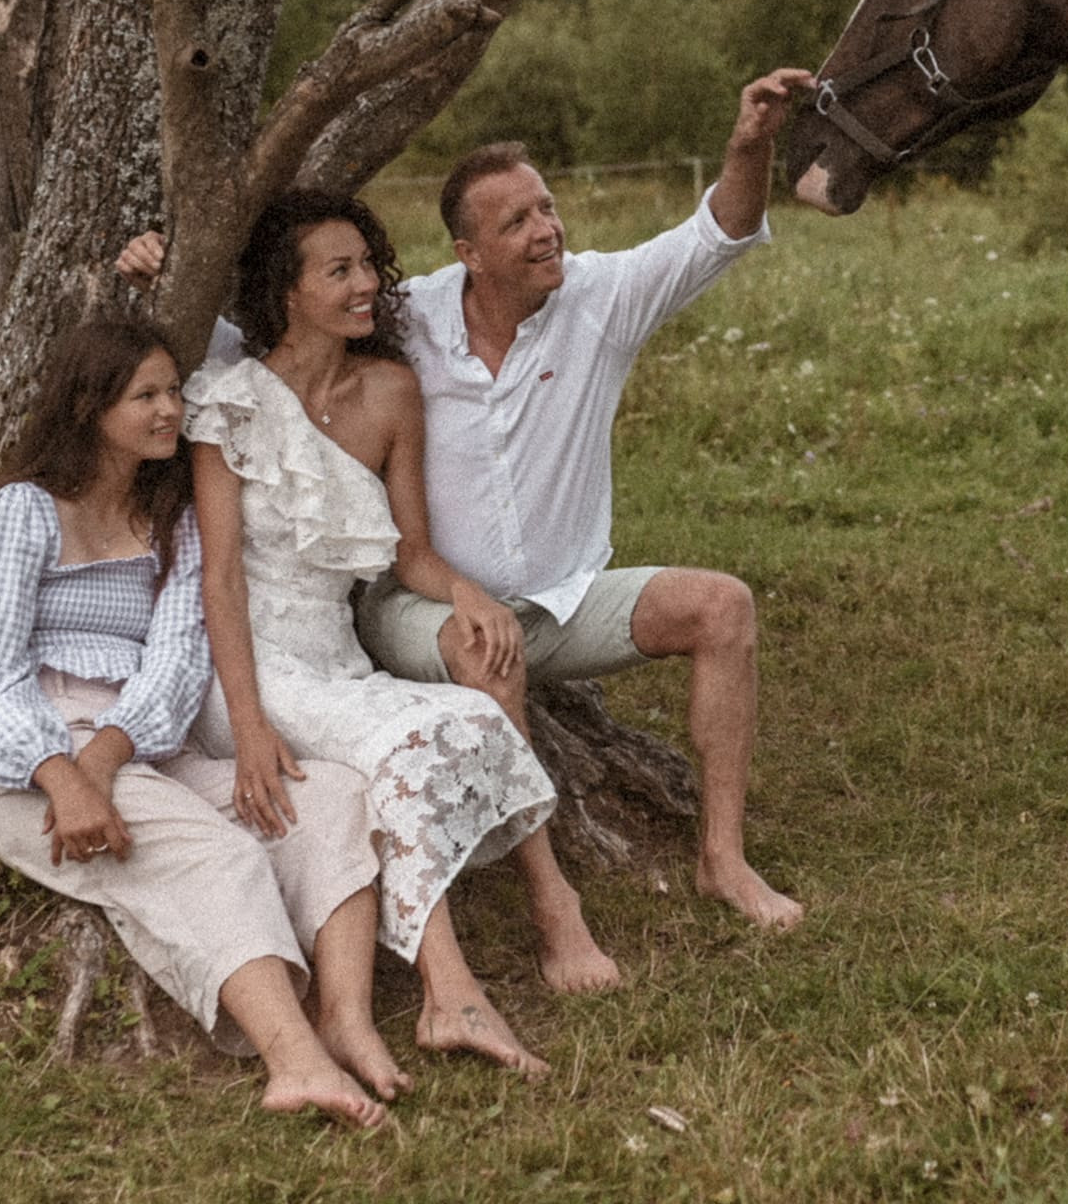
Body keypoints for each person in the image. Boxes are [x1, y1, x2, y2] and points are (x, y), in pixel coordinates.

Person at [123, 68, 817, 932]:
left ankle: (723, 858)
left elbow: (718, 232)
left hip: (564, 599)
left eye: (549, 208)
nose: (546, 231)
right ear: (468, 252)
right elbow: (274, 358)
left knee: (723, 607)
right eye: (517, 221)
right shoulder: (407, 318)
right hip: (419, 603)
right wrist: (167, 277)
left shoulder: (598, 299)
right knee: (484, 651)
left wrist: (749, 144)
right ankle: (553, 900)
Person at [0, 317, 401, 1129]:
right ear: (91, 407)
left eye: (175, 390)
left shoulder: (174, 518)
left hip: (139, 743)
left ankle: (346, 1018)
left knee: (330, 799)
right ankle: (295, 1062)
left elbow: (173, 662)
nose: (171, 410)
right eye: (146, 395)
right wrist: (65, 774)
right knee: (213, 853)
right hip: (25, 763)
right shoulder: (22, 512)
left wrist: (106, 762)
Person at [184, 191, 587, 1078]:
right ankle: (452, 994)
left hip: (334, 658)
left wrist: (467, 593)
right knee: (405, 744)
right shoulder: (229, 402)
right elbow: (216, 578)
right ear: (287, 293)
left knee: (472, 718)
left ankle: (452, 995)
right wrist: (248, 724)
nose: (367, 284)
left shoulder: (392, 391)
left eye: (369, 264)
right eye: (340, 271)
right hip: (247, 666)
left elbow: (410, 553)